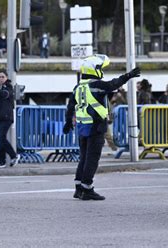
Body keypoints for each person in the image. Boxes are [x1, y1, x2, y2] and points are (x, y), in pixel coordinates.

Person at [63, 54, 141, 201]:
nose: (101, 70)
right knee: (92, 159)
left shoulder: (78, 87)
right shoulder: (96, 85)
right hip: (96, 126)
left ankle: (79, 188)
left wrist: (67, 123)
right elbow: (113, 84)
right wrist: (128, 76)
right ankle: (87, 188)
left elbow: (70, 106)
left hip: (82, 127)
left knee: (84, 158)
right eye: (100, 68)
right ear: (95, 69)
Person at [0, 71, 20, 169]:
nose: (0, 79)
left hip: (6, 117)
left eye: (2, 77)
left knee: (1, 138)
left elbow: (4, 94)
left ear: (6, 78)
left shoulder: (8, 87)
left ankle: (14, 155)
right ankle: (1, 161)